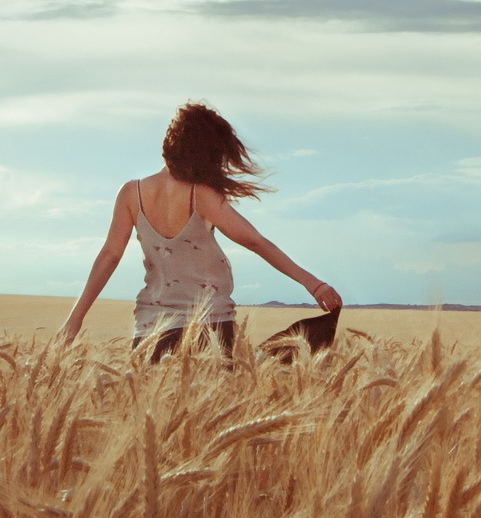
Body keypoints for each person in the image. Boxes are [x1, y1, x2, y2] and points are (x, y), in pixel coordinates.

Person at [57, 103, 342, 356]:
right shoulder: (202, 195)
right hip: (211, 327)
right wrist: (313, 283)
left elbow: (110, 255)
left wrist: (75, 319)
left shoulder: (131, 193)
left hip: (151, 330)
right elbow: (255, 242)